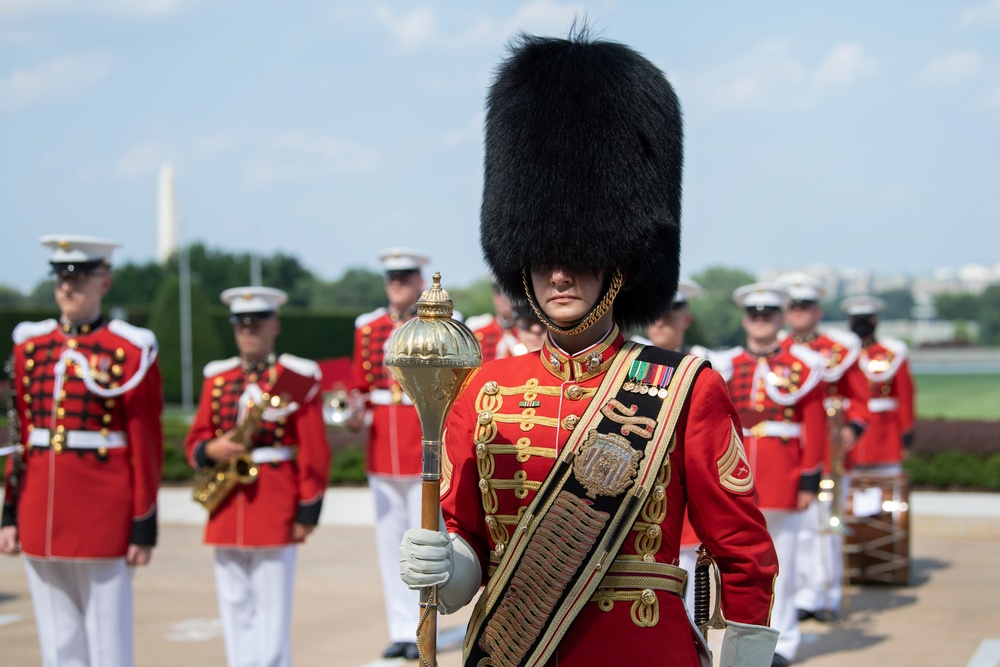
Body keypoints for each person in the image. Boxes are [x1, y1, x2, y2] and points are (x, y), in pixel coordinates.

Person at [399, 31, 780, 667]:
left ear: (618, 262)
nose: (561, 276)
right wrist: (448, 565)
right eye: (546, 257)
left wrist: (744, 656)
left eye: (581, 256)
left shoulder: (684, 387)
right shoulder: (483, 389)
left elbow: (742, 549)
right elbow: (468, 534)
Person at [0, 235, 163, 667]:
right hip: (40, 508)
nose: (67, 287)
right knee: (58, 643)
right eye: (60, 277)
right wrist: (10, 511)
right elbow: (20, 433)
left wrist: (143, 521)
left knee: (108, 643)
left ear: (103, 282)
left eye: (79, 277)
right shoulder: (30, 348)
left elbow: (144, 441)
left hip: (102, 511)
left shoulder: (130, 350)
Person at [184, 286, 329, 667]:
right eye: (241, 324)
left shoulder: (295, 377)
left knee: (271, 604)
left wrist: (307, 510)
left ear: (274, 326)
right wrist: (210, 449)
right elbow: (196, 437)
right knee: (233, 602)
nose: (248, 331)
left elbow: (314, 448)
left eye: (257, 323)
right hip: (227, 502)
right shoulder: (218, 378)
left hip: (274, 499)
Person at [712, 283, 828, 666]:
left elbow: (814, 425)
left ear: (780, 319)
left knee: (787, 564)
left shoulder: (804, 365)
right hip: (738, 473)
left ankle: (786, 642)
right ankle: (744, 644)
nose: (760, 321)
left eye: (768, 315)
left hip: (783, 474)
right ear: (745, 320)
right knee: (740, 565)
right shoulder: (726, 363)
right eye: (754, 315)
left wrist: (810, 478)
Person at [347, 248, 429, 661]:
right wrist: (353, 413)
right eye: (391, 276)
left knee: (422, 543)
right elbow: (359, 384)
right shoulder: (369, 327)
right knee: (388, 545)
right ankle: (400, 627)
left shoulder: (436, 323)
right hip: (382, 447)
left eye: (404, 275)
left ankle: (422, 626)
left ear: (419, 280)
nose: (396, 283)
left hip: (420, 443)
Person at [775, 272, 863, 623]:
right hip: (792, 451)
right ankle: (797, 597)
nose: (798, 312)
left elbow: (860, 398)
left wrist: (854, 427)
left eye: (805, 306)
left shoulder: (838, 350)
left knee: (827, 523)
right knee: (796, 529)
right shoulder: (776, 349)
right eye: (793, 306)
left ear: (818, 311)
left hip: (831, 444)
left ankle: (825, 592)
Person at [839, 295, 915, 475]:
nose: (862, 324)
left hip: (884, 432)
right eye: (857, 320)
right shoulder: (839, 355)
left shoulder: (892, 353)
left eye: (866, 319)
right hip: (850, 429)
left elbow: (905, 397)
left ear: (875, 321)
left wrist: (906, 435)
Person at [636, 279, 701, 352]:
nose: (658, 323)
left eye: (667, 317)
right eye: (652, 317)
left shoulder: (701, 362)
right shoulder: (629, 361)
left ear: (686, 320)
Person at [467, 281, 519, 361]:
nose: (504, 298)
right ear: (493, 296)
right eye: (499, 293)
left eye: (509, 293)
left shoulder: (528, 334)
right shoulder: (480, 334)